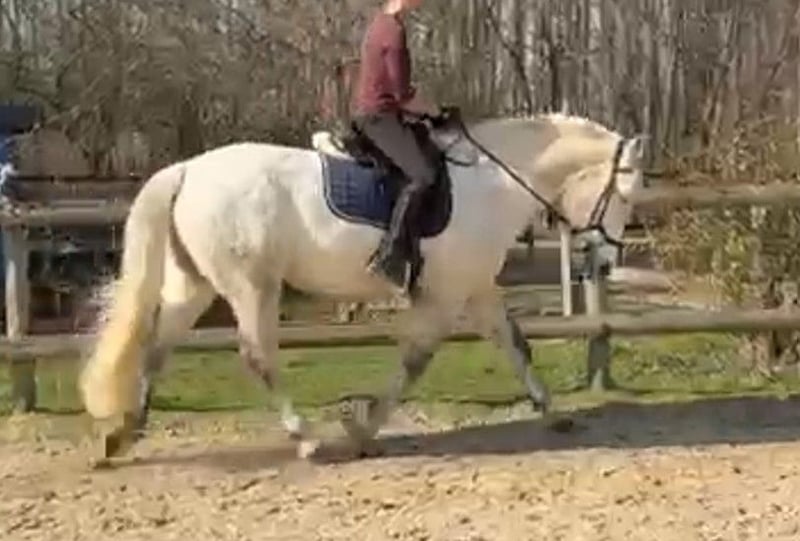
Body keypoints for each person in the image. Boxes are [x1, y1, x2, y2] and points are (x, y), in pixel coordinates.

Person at [350, 0, 443, 291]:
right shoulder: (393, 30)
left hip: (375, 114)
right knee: (424, 176)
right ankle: (390, 255)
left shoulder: (380, 24)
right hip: (379, 117)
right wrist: (435, 111)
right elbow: (402, 94)